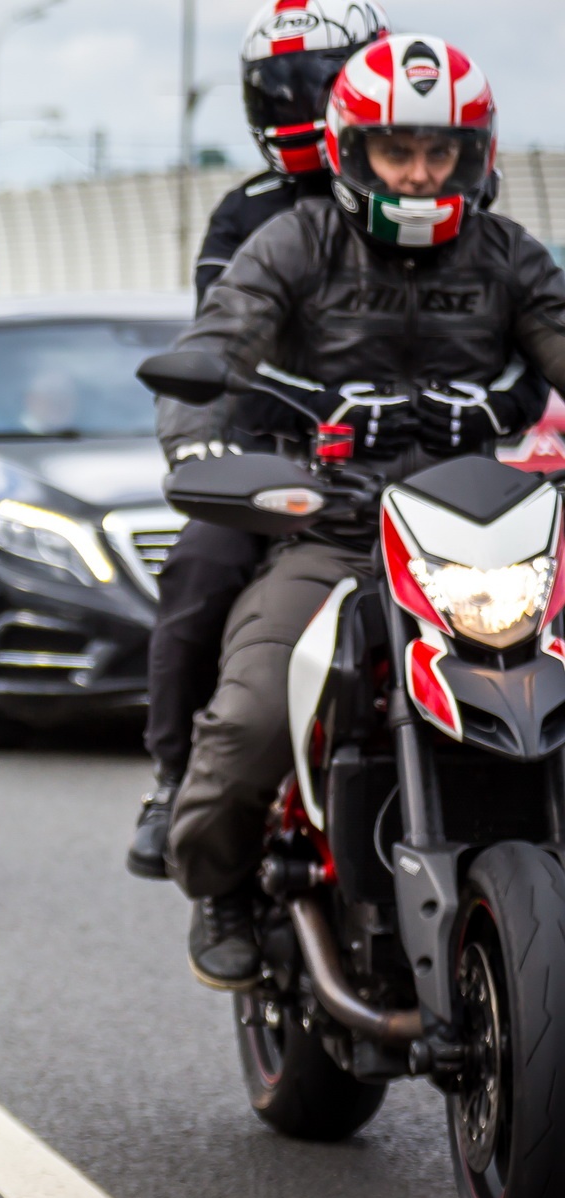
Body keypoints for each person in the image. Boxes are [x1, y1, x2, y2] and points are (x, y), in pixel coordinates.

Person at [160, 35, 565, 988]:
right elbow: (218, 345)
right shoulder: (291, 242)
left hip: (483, 542)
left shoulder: (509, 255)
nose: (420, 174)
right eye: (397, 150)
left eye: (440, 151)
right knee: (253, 718)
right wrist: (197, 440)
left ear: (476, 155)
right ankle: (222, 887)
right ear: (352, 150)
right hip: (332, 532)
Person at [130, 0, 394, 877]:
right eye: (277, 87)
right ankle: (174, 780)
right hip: (278, 459)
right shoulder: (246, 216)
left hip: (420, 463)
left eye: (316, 83)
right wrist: (200, 440)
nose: (297, 104)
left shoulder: (438, 205)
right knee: (199, 568)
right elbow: (218, 343)